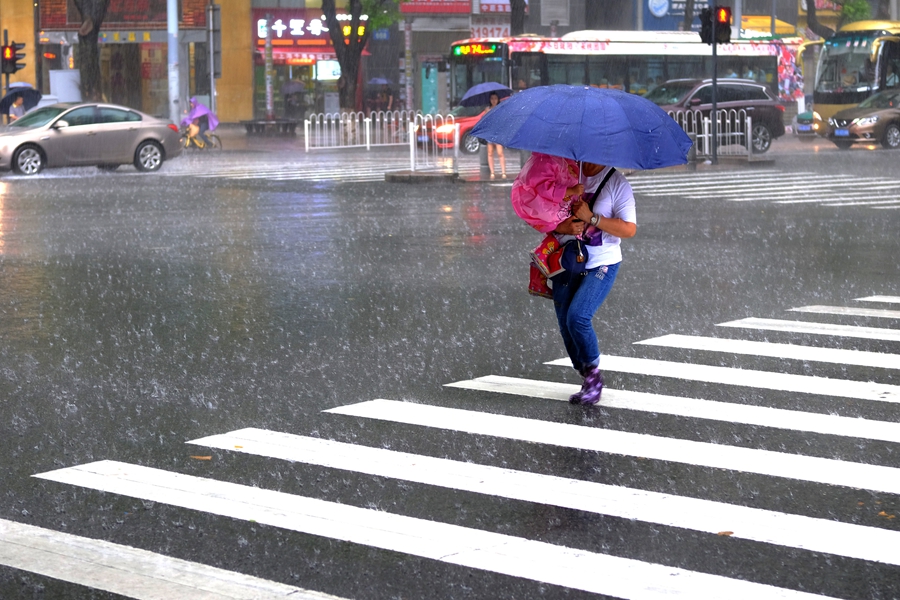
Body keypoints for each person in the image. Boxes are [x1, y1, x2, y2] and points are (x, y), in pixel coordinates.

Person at [552, 161, 636, 405]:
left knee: (577, 317)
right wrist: (562, 225)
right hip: (568, 260)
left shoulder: (616, 183)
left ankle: (593, 376)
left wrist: (592, 218)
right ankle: (585, 372)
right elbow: (545, 214)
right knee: (566, 326)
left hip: (602, 262)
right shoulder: (567, 174)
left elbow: (629, 229)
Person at [485, 92, 506, 178]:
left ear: (498, 99)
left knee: (500, 153)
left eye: (495, 98)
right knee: (490, 153)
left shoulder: (500, 109)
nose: (494, 100)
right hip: (490, 133)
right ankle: (492, 172)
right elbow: (485, 122)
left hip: (498, 133)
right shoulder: (487, 109)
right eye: (492, 99)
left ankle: (503, 172)